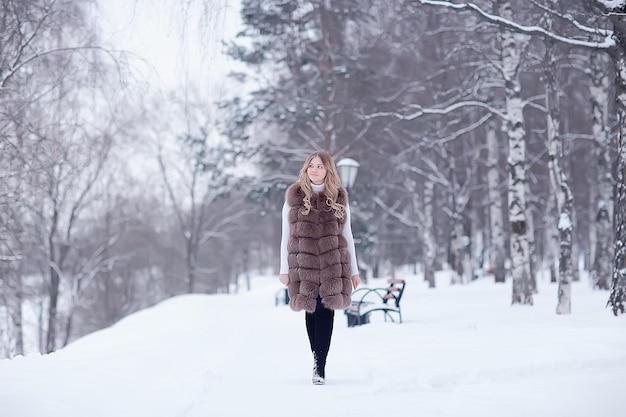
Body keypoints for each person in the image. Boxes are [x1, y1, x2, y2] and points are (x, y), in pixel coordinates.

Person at [278, 150, 361, 385]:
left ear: (328, 170)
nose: (314, 169)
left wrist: (354, 271)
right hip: (303, 265)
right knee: (311, 311)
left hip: (333, 264)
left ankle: (319, 366)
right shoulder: (294, 196)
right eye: (311, 165)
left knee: (326, 312)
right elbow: (285, 236)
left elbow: (348, 235)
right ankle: (316, 356)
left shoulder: (338, 197)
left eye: (319, 166)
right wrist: (284, 269)